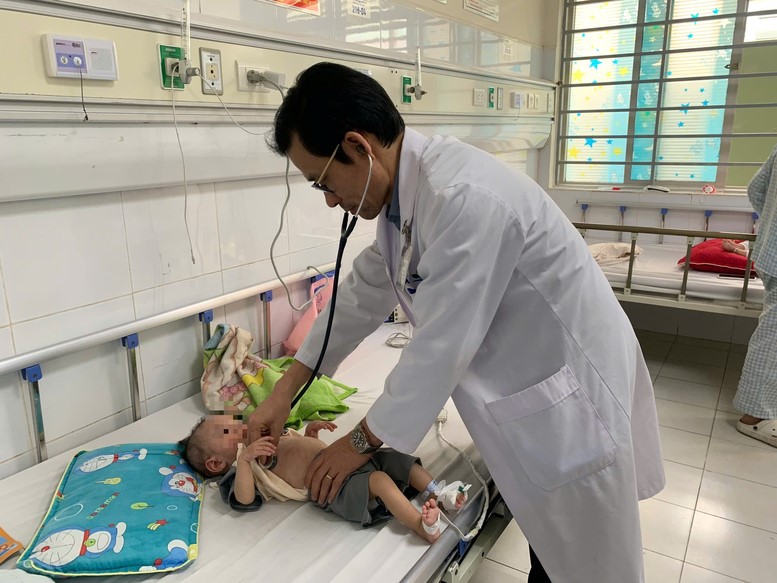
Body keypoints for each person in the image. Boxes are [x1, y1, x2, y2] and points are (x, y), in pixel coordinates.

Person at [250, 62, 666, 582]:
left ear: (358, 147)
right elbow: (357, 297)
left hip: (572, 397)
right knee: (555, 551)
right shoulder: (405, 205)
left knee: (589, 563)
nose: (332, 200)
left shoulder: (464, 196)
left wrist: (357, 443)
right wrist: (283, 391)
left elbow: (439, 348)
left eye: (324, 182)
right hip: (538, 396)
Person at [178, 415, 467, 542]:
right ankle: (420, 526)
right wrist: (244, 460)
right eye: (226, 430)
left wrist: (310, 435)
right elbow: (244, 499)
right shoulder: (241, 466)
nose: (237, 424)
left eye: (233, 421)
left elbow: (298, 452)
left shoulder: (262, 438)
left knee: (394, 457)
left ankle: (436, 491)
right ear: (215, 463)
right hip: (330, 487)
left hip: (344, 462)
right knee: (379, 479)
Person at [734, 144, 777, 447]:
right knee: (772, 336)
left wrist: (772, 224)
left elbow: (756, 188)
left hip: (770, 250)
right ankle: (754, 417)